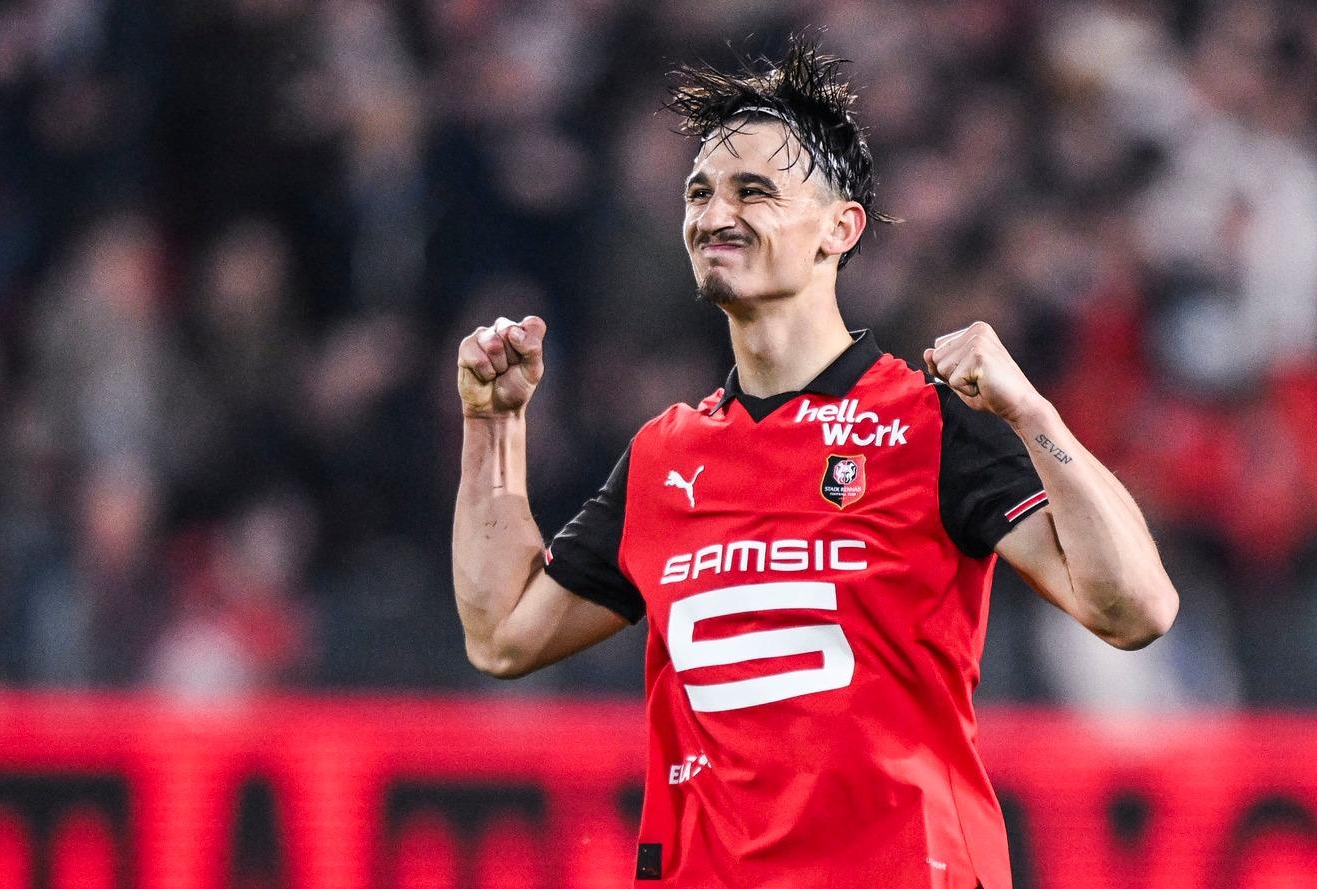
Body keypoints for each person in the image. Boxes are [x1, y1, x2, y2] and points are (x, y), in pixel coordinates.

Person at [451, 36, 1178, 889]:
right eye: (698, 192)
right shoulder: (665, 455)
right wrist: (493, 424)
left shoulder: (926, 420)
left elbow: (1135, 609)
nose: (713, 214)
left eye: (753, 190)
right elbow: (502, 635)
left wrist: (1033, 415)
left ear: (840, 227)